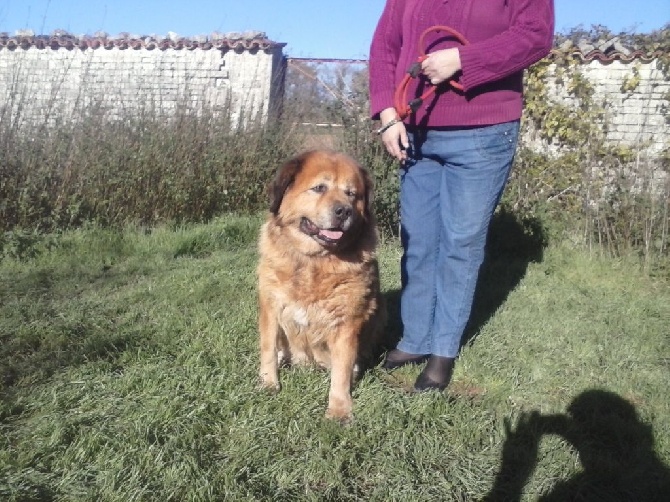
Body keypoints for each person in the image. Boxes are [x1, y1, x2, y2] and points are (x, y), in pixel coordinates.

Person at [369, 0, 555, 391]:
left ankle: (443, 349)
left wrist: (464, 60)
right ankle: (415, 338)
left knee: (460, 243)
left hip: (483, 131)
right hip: (415, 128)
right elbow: (385, 45)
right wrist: (387, 114)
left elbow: (535, 36)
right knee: (418, 240)